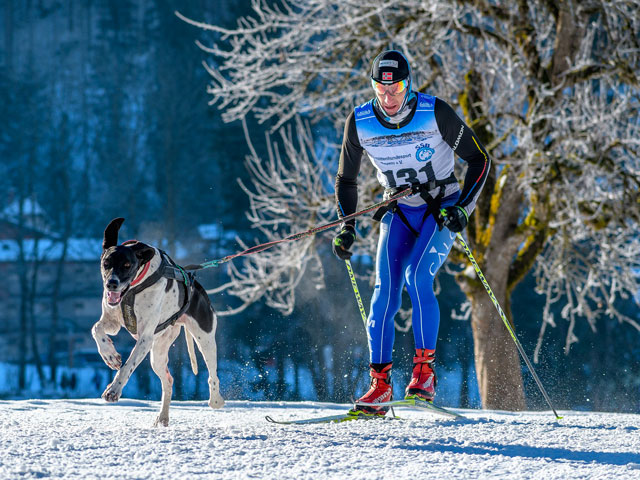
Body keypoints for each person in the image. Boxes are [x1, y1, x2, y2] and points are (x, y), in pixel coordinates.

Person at [333, 50, 490, 415]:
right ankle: (380, 385)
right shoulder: (359, 122)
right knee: (384, 290)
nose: (389, 97)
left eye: (396, 87)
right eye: (380, 88)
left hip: (439, 206)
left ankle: (424, 375)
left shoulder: (435, 112)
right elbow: (347, 179)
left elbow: (480, 159)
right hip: (399, 210)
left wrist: (463, 208)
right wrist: (347, 227)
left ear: (408, 84)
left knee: (418, 278)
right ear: (373, 87)